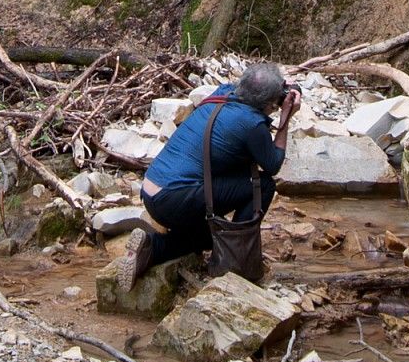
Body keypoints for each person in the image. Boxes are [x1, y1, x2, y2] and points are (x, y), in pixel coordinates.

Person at [126, 61, 297, 281]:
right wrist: (286, 118)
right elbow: (273, 164)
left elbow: (252, 88)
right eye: (275, 102)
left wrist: (279, 90)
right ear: (267, 103)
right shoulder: (251, 124)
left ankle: (152, 247)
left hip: (152, 191)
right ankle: (237, 256)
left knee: (211, 237)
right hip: (173, 200)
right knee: (263, 185)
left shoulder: (223, 92)